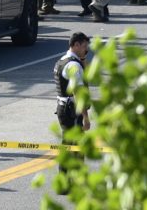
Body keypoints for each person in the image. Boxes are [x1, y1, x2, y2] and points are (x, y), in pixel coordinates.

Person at [54, 31, 91, 185]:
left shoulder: (63, 60)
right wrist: (86, 117)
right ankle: (74, 181)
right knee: (75, 147)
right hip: (72, 110)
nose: (86, 50)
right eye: (84, 47)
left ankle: (67, 181)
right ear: (76, 45)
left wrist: (82, 60)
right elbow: (78, 92)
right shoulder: (73, 65)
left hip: (63, 107)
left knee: (68, 144)